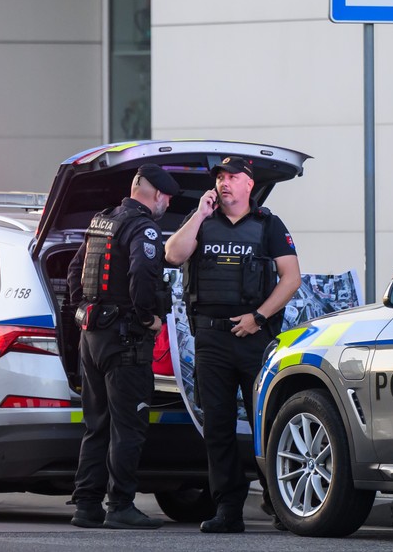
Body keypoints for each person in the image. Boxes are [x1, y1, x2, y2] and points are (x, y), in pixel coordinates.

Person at [164, 156, 301, 533]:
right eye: (220, 178)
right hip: (211, 339)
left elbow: (291, 279)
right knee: (218, 427)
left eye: (232, 177)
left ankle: (280, 502)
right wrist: (198, 214)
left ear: (249, 185)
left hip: (255, 339)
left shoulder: (269, 225)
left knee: (267, 422)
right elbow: (173, 255)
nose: (224, 183)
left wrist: (258, 317)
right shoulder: (201, 222)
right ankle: (228, 509)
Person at [66, 163, 179, 530]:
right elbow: (143, 277)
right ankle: (121, 505)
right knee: (128, 427)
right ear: (156, 194)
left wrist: (83, 313)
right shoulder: (143, 227)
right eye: (167, 197)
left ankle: (86, 506)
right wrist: (148, 318)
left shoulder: (102, 221)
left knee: (96, 425)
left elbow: (73, 272)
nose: (167, 204)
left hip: (92, 338)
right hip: (125, 340)